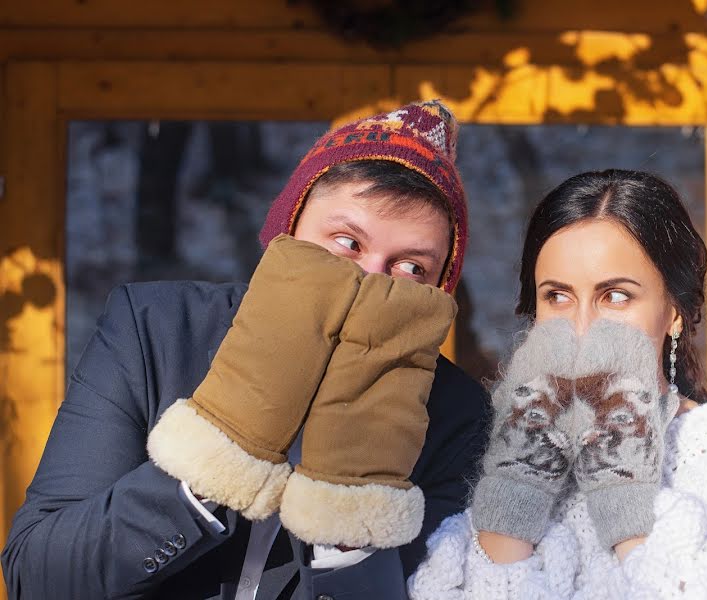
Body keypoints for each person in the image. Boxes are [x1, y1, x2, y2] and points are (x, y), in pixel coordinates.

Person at [2, 100, 489, 600]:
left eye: (410, 268)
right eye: (346, 241)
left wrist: (353, 510)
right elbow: (38, 576)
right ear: (288, 231)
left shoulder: (457, 416)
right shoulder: (156, 330)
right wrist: (222, 450)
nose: (367, 282)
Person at [408, 170, 707, 599]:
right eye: (557, 296)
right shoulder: (499, 448)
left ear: (674, 311)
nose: (582, 327)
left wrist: (624, 492)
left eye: (616, 296)